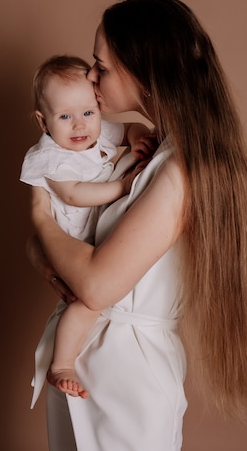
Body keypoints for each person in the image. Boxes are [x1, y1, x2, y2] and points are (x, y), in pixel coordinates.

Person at [27, 0, 247, 451]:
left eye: (100, 67)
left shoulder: (181, 170)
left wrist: (40, 223)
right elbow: (78, 239)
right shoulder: (147, 148)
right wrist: (45, 246)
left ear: (143, 72)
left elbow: (97, 283)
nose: (90, 79)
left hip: (127, 381)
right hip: (85, 361)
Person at [20, 55, 155, 405]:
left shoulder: (92, 130)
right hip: (70, 241)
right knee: (86, 303)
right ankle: (61, 365)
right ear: (43, 121)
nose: (79, 126)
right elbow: (73, 194)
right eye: (65, 117)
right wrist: (122, 188)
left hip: (91, 237)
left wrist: (139, 135)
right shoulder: (49, 156)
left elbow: (125, 129)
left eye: (88, 113)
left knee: (91, 299)